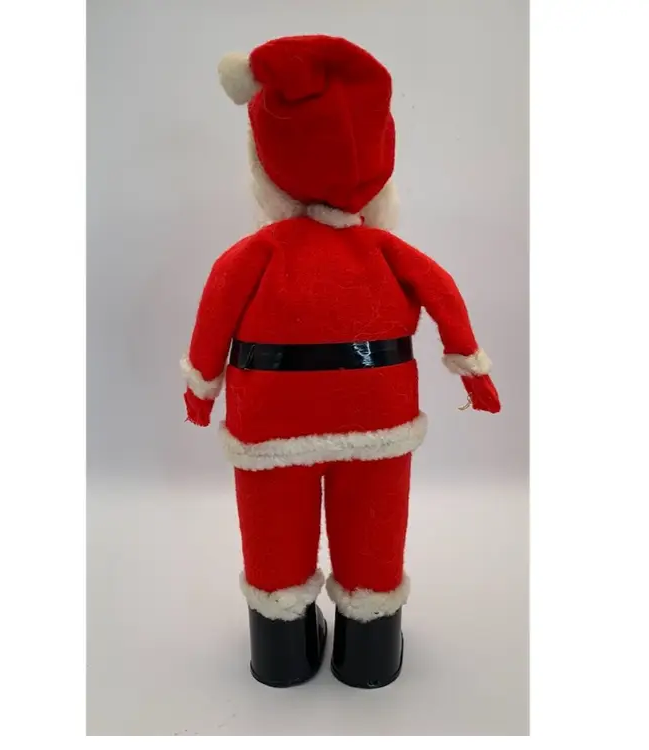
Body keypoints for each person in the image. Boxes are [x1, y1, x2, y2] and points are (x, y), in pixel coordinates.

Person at [181, 35, 501, 689]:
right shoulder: (387, 250)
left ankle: (281, 655)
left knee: (273, 540)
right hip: (378, 418)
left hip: (270, 423)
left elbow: (214, 314)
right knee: (373, 537)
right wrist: (473, 369)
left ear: (267, 163)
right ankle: (370, 654)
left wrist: (201, 390)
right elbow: (443, 296)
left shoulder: (258, 252)